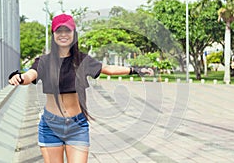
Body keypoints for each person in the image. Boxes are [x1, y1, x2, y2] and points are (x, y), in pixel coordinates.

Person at [8, 13, 154, 163]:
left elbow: (108, 68)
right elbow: (30, 75)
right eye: (59, 31)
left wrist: (135, 70)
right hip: (50, 126)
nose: (63, 35)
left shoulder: (82, 60)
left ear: (74, 34)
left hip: (77, 126)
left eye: (68, 31)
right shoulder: (44, 61)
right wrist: (19, 77)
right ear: (53, 35)